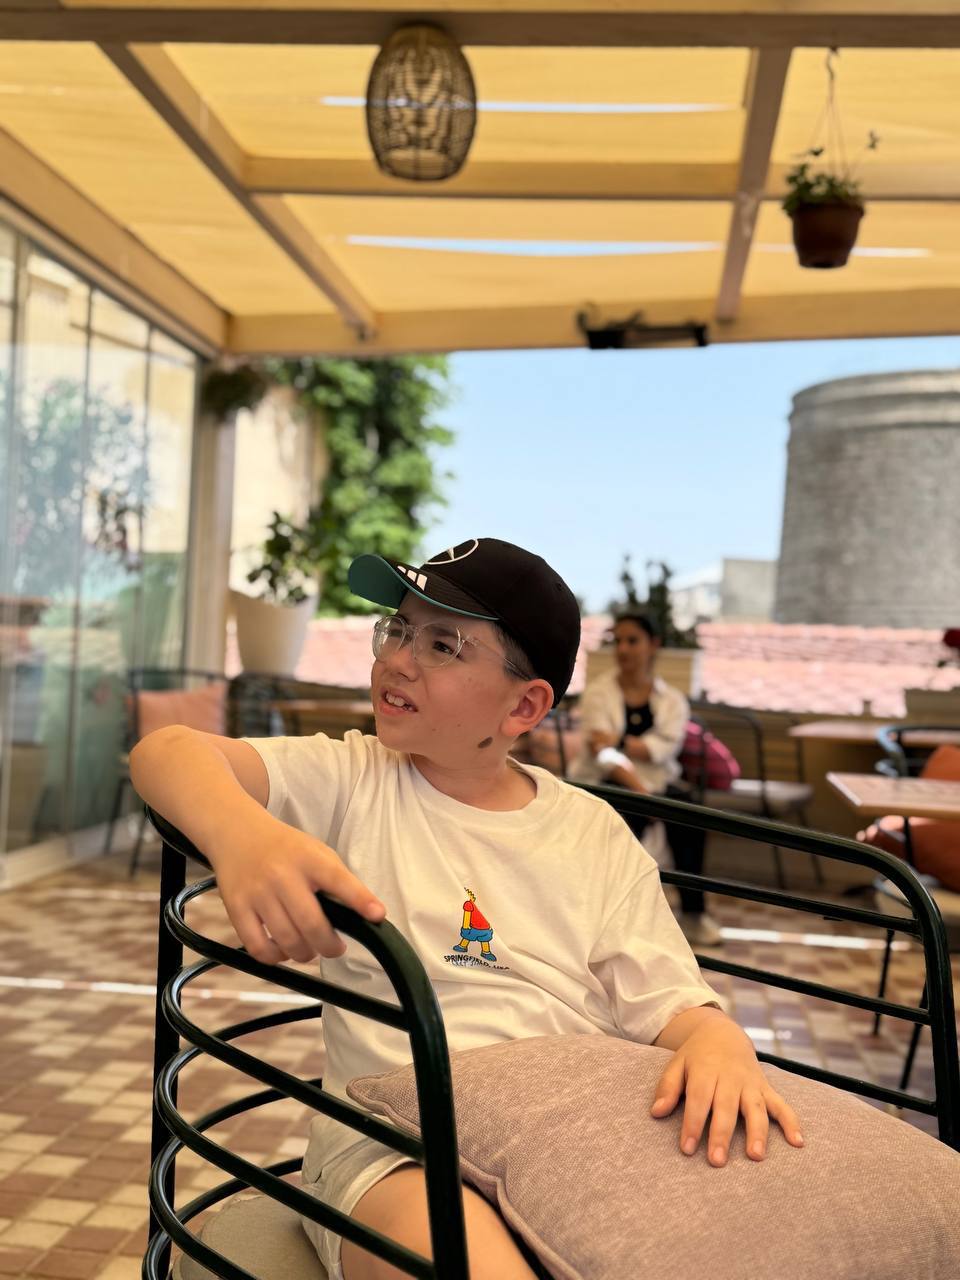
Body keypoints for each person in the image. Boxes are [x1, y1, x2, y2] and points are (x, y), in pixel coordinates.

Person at [130, 537, 803, 1280]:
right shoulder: (354, 779)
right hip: (396, 1151)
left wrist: (718, 1041)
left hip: (570, 1139)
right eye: (397, 629)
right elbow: (166, 751)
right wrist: (245, 836)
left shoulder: (591, 832)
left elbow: (672, 1004)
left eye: (442, 645)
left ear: (525, 705)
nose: (397, 659)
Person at [569, 612, 723, 947]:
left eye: (632, 640)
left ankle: (693, 914)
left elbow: (661, 750)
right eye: (618, 641)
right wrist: (641, 790)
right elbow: (602, 754)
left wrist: (619, 741)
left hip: (657, 783)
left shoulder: (672, 701)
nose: (623, 649)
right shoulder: (598, 693)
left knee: (690, 815)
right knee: (624, 814)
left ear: (653, 645)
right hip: (605, 781)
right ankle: (612, 919)